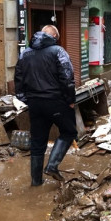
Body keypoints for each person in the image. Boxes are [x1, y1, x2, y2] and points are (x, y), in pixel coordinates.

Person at [14, 25, 77, 186]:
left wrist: (26, 100)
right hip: (56, 102)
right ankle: (52, 166)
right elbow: (67, 77)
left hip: (35, 104)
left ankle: (36, 182)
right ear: (54, 36)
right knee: (69, 132)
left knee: (37, 142)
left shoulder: (24, 54)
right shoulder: (58, 51)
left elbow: (18, 79)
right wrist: (70, 100)